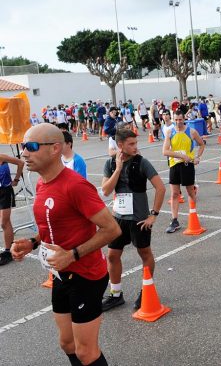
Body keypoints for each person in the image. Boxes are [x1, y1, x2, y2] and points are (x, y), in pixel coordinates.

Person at [12, 123, 121, 365]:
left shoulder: (75, 185)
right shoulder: (41, 184)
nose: (24, 154)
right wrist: (32, 242)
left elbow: (112, 228)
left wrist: (72, 255)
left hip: (87, 276)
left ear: (55, 149)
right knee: (67, 343)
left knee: (86, 352)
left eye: (31, 147)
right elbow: (53, 226)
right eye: (23, 147)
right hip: (61, 275)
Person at [101, 129, 165, 311]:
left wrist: (154, 215)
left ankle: (146, 289)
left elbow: (160, 188)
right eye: (131, 144)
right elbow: (106, 190)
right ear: (120, 145)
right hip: (118, 218)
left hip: (139, 219)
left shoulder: (142, 162)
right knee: (112, 255)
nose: (135, 147)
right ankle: (115, 294)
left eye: (136, 143)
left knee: (144, 254)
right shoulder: (110, 164)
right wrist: (118, 169)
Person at [162, 110, 205, 233]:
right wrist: (180, 155)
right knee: (174, 194)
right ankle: (174, 220)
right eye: (176, 120)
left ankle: (193, 214)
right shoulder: (170, 132)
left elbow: (201, 144)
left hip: (188, 165)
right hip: (174, 165)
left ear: (184, 119)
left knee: (190, 191)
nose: (178, 122)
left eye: (180, 119)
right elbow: (165, 151)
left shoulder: (191, 131)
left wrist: (197, 157)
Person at [0, 153, 24, 266]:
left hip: (5, 192)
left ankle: (8, 252)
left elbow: (21, 162)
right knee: (5, 222)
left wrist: (16, 179)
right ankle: (9, 250)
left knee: (4, 222)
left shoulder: (1, 156)